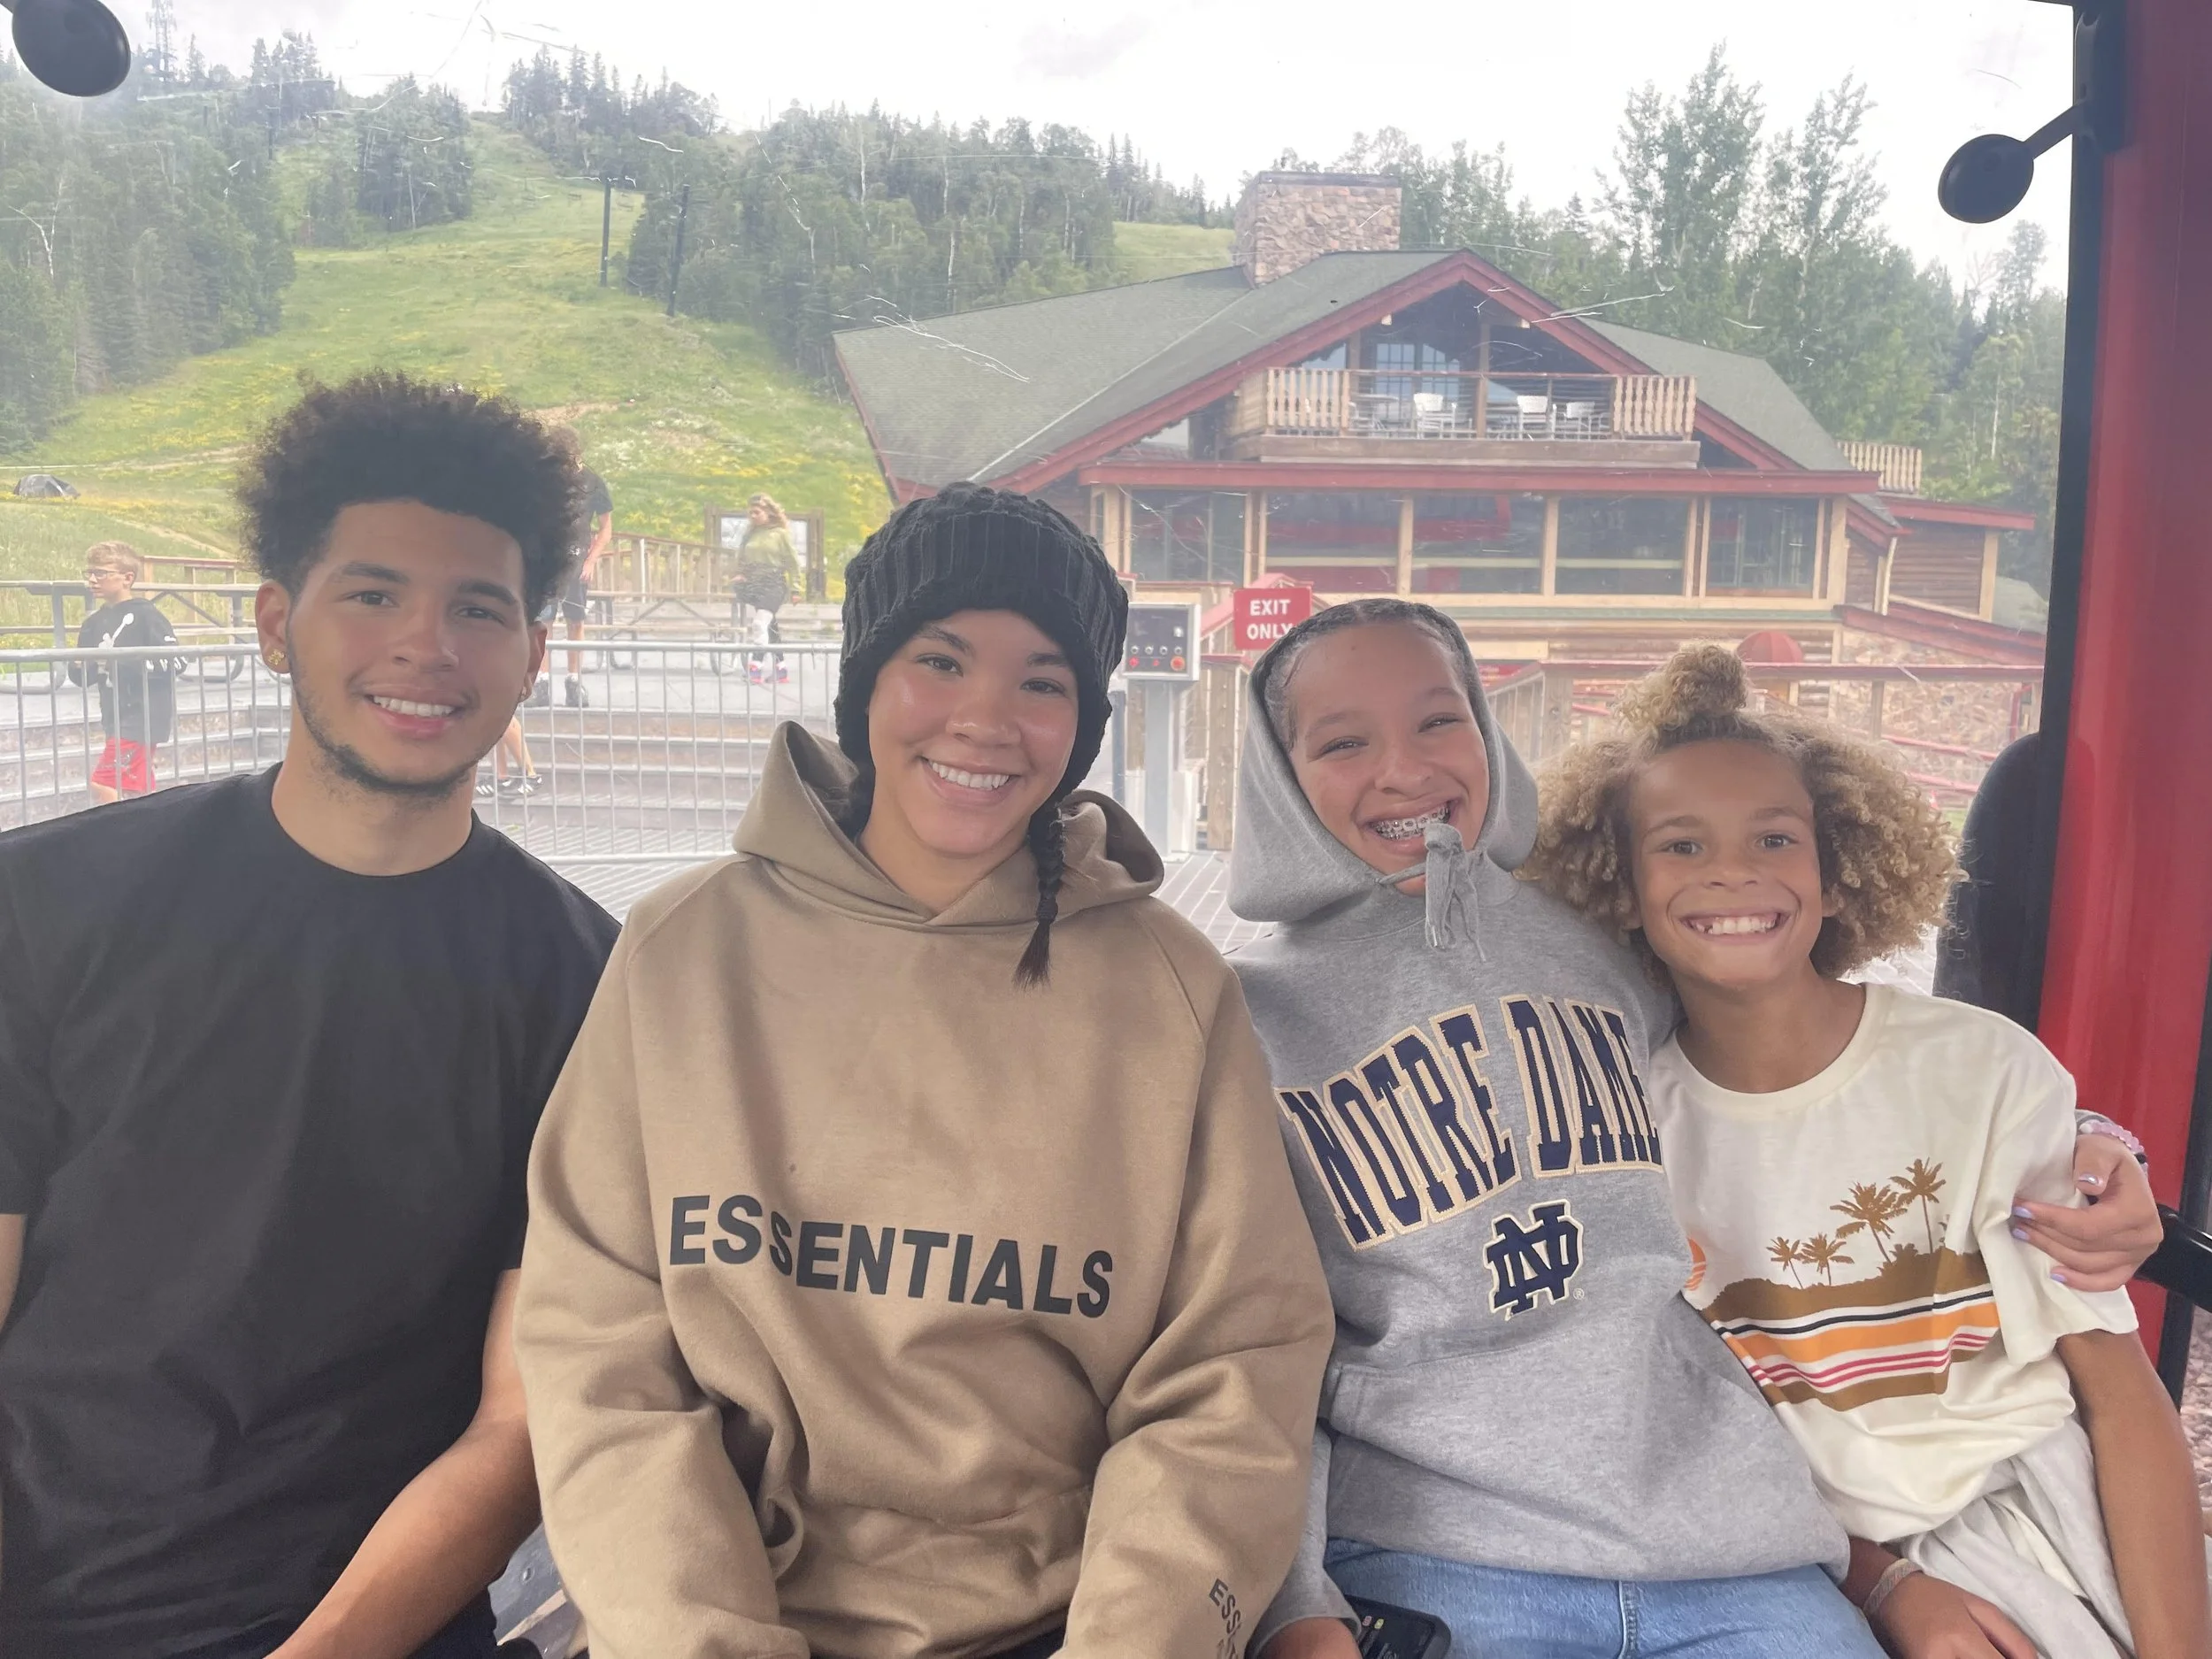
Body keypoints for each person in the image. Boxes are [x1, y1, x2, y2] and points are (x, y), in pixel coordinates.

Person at [1221, 600, 2163, 1659]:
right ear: (1277, 771)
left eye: (1439, 721)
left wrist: (2090, 1140)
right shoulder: (1235, 1014)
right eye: (1343, 741)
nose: (1403, 768)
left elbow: (1795, 1046)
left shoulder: (1595, 934)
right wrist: (1297, 1597)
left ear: (1486, 733)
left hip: (1730, 1551)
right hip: (1435, 1550)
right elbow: (1253, 1340)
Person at [514, 482, 1333, 1657]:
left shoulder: (1170, 984)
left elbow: (1235, 1365)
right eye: (941, 660)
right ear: (866, 682)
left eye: (1042, 680)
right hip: (720, 1615)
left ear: (1084, 718)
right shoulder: (682, 950)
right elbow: (602, 1356)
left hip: (1064, 1620)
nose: (986, 718)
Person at [0, 372, 618, 1659]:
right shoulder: (48, 900)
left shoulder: (587, 982)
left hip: (361, 1623)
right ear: (280, 622)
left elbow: (519, 1424)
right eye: (374, 593)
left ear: (532, 656)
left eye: (478, 608)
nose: (425, 645)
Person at [1525, 645, 2207, 1659]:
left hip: (2032, 1520)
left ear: (1837, 873)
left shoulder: (1979, 1072)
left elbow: (2115, 1395)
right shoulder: (1622, 1131)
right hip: (1795, 1564)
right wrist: (1879, 1579)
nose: (1732, 871)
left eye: (1773, 837)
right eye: (1678, 846)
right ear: (1616, 889)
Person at [69, 540, 179, 803]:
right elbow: (83, 677)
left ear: (127, 578)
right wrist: (77, 665)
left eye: (101, 573)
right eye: (90, 573)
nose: (93, 580)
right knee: (138, 790)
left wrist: (125, 662)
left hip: (143, 715)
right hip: (114, 715)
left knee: (104, 783)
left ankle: (116, 839)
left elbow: (176, 661)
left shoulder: (147, 616)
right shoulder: (92, 624)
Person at [534, 432, 612, 709]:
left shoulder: (592, 481)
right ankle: (541, 682)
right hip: (549, 561)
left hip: (578, 561)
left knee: (575, 621)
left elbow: (606, 528)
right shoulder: (546, 476)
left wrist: (591, 560)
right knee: (542, 622)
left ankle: (573, 680)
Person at [733, 491, 800, 684]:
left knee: (759, 624)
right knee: (771, 628)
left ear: (768, 512)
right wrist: (741, 573)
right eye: (750, 513)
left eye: (756, 512)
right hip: (755, 585)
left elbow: (793, 562)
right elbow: (742, 558)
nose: (752, 517)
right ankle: (781, 669)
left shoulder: (780, 534)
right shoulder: (750, 535)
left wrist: (796, 589)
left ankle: (756, 667)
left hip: (774, 584)